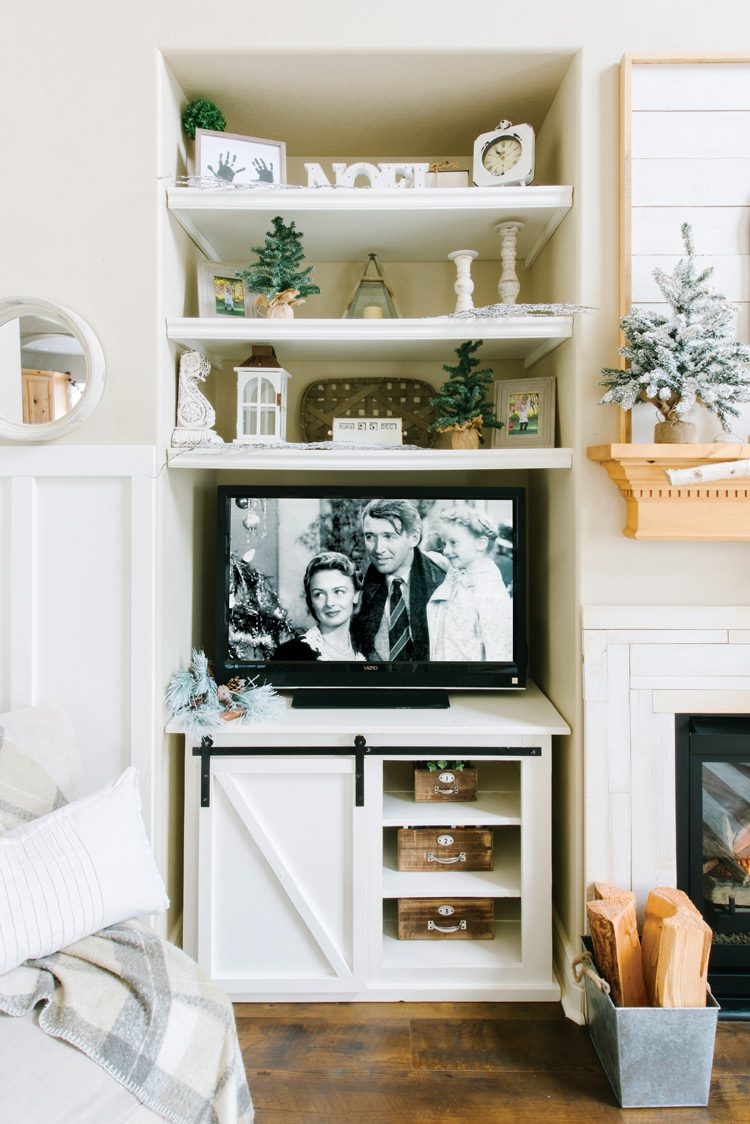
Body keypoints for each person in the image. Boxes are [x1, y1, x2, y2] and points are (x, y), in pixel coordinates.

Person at [354, 498, 446, 662]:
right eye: (370, 537)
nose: (378, 549)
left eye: (389, 536)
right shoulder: (358, 586)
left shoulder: (443, 582)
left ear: (414, 538)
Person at [427, 508, 512, 662]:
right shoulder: (457, 571)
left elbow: (499, 653)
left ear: (480, 543)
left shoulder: (490, 593)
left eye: (453, 543)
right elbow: (441, 560)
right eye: (444, 543)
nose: (446, 550)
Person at [272, 551, 365, 661]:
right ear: (311, 600)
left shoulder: (368, 650)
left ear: (356, 595)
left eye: (339, 592)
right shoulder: (290, 654)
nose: (329, 603)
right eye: (319, 594)